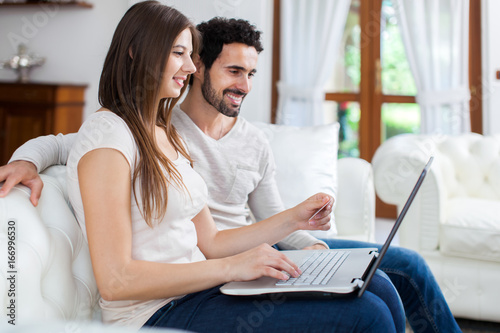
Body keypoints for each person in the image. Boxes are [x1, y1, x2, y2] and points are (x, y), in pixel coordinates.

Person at [0, 8, 459, 333]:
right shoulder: (110, 137)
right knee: (370, 317)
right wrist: (26, 157)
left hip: (202, 286)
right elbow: (116, 281)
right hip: (157, 311)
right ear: (138, 54)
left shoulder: (160, 132)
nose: (187, 66)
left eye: (189, 54)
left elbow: (213, 242)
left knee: (378, 288)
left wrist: (296, 221)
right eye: (179, 54)